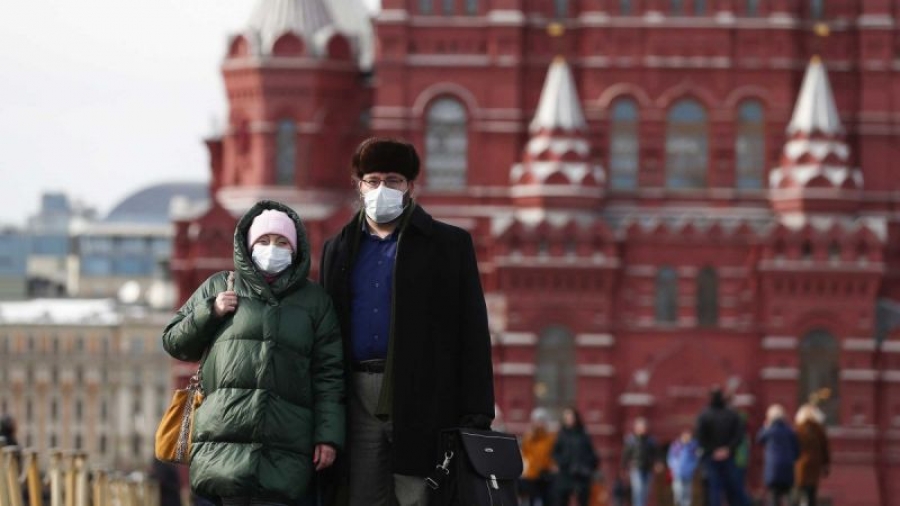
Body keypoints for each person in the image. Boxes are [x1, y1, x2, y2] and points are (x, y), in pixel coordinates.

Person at [319, 137, 495, 506]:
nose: (383, 188)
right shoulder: (338, 247)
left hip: (423, 394)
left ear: (411, 186)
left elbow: (473, 332)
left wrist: (477, 412)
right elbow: (326, 332)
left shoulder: (448, 245)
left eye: (394, 180)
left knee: (419, 495)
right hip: (357, 394)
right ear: (359, 184)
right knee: (363, 496)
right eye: (373, 179)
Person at [162, 200, 345, 506]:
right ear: (248, 245)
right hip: (223, 444)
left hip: (285, 447)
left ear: (296, 248)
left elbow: (329, 374)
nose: (272, 248)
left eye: (281, 241)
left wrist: (327, 436)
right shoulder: (221, 285)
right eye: (263, 240)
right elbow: (174, 342)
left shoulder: (315, 302)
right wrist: (211, 310)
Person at [695, 386, 744, 506]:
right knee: (732, 489)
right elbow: (739, 435)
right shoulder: (732, 414)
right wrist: (728, 449)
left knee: (714, 489)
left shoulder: (704, 415)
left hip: (711, 458)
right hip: (729, 457)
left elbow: (700, 437)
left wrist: (713, 451)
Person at [551, 407, 598, 506]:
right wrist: (562, 461)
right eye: (566, 418)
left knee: (583, 500)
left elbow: (591, 453)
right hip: (565, 473)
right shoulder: (561, 435)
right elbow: (554, 453)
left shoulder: (583, 434)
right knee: (561, 500)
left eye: (571, 417)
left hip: (581, 474)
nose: (569, 420)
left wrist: (588, 466)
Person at [756, 404, 799, 506]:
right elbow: (797, 450)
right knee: (788, 494)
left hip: (773, 467)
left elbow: (759, 439)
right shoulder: (790, 431)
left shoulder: (769, 430)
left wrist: (765, 426)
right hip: (787, 466)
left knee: (774, 495)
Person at [519, 408, 557, 506]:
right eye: (537, 420)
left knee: (548, 500)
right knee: (532, 501)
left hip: (547, 474)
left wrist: (552, 465)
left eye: (542, 420)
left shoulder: (551, 437)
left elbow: (554, 454)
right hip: (532, 475)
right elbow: (525, 454)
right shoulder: (528, 437)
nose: (539, 423)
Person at [794, 404, 829, 506]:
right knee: (812, 492)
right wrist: (826, 464)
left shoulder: (798, 429)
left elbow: (794, 448)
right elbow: (825, 448)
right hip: (815, 464)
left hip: (801, 463)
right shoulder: (819, 430)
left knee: (799, 490)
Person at [621, 418, 658, 506]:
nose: (644, 429)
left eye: (645, 427)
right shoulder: (631, 440)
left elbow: (656, 453)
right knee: (638, 491)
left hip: (648, 468)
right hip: (636, 468)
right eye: (641, 427)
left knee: (645, 492)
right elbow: (625, 455)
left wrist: (657, 462)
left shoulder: (651, 440)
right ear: (636, 428)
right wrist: (623, 467)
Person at [667, 429, 699, 506]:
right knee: (678, 491)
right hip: (677, 473)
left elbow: (696, 459)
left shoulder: (693, 446)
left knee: (687, 492)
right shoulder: (676, 445)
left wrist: (692, 468)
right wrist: (674, 467)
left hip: (688, 473)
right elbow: (670, 458)